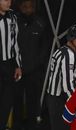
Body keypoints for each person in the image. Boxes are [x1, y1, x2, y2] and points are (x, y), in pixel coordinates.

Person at [12, 0, 49, 130]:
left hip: (34, 71)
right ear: (19, 6)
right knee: (16, 101)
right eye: (25, 7)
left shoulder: (40, 23)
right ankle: (16, 126)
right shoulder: (13, 22)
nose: (28, 10)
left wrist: (37, 65)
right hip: (16, 70)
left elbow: (45, 47)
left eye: (31, 7)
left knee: (33, 102)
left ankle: (32, 126)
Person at [46, 25, 76, 130]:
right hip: (59, 101)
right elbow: (67, 86)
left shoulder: (63, 51)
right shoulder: (69, 56)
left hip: (56, 99)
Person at [0, 0, 22, 129]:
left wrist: (18, 65)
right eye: (6, 0)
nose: (9, 2)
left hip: (8, 64)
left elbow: (15, 42)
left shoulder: (13, 17)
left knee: (7, 100)